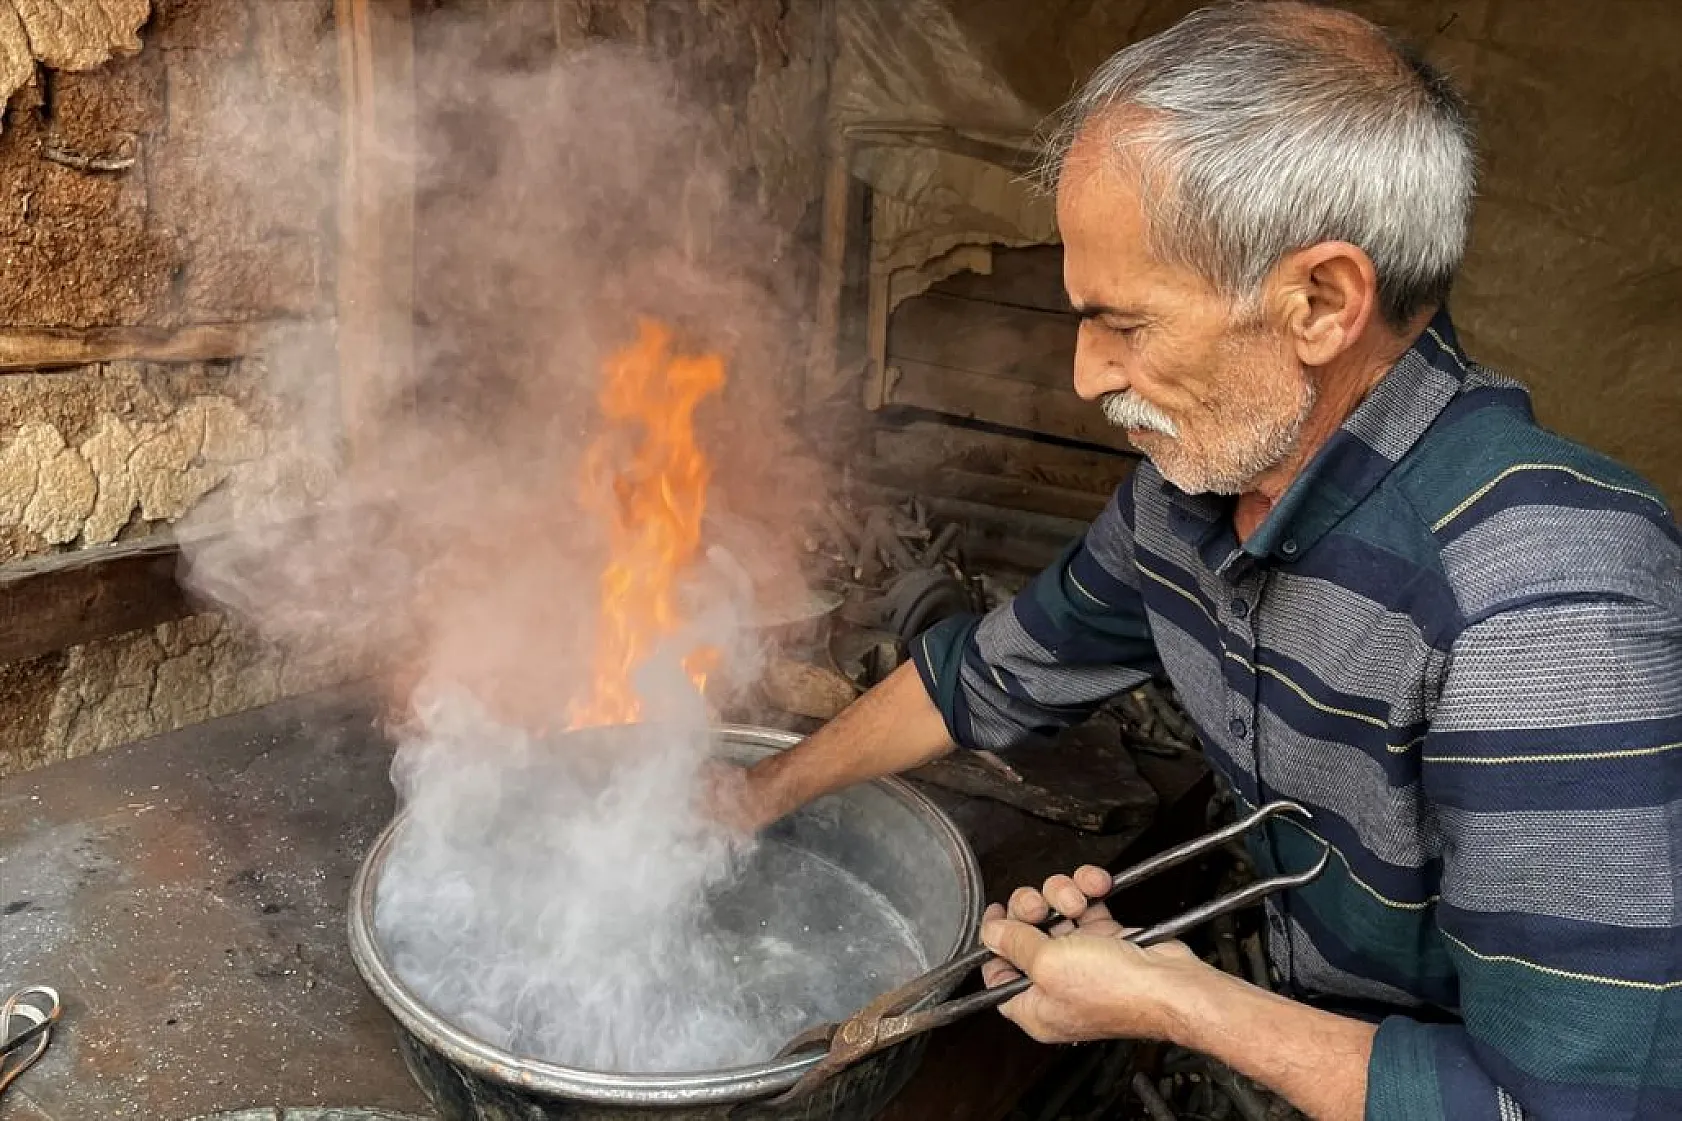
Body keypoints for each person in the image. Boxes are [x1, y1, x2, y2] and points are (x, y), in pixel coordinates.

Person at [732, 3, 1682, 1119]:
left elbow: (1578, 1109)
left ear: (1320, 302)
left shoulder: (1544, 604)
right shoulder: (1183, 504)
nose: (1087, 374)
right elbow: (985, 675)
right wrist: (752, 794)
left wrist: (1174, 1003)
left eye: (1122, 323)